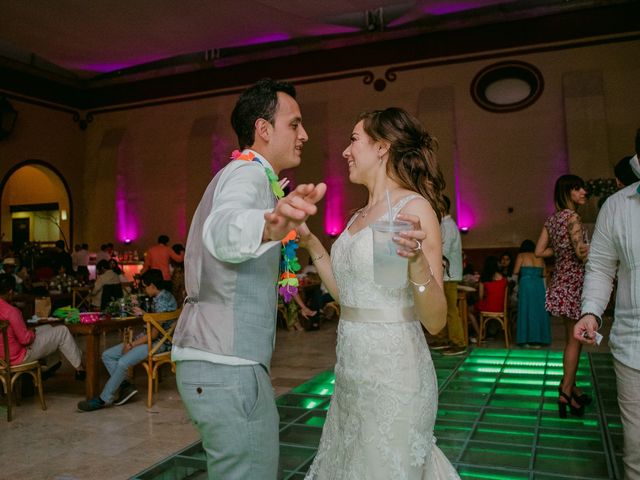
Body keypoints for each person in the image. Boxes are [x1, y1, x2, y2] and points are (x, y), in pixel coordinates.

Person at [171, 78, 326, 479]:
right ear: (263, 128)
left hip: (221, 359)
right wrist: (269, 227)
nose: (304, 134)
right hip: (226, 362)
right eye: (295, 124)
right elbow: (224, 229)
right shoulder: (248, 176)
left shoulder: (252, 177)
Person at [299, 107, 459, 479]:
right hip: (352, 374)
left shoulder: (410, 210)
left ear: (383, 147)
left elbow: (435, 321)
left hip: (395, 376)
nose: (345, 151)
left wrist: (416, 260)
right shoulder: (361, 216)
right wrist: (309, 242)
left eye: (354, 140)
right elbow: (352, 300)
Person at [574, 134, 640, 479]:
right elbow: (600, 266)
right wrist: (591, 311)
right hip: (634, 346)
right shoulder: (617, 206)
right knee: (637, 452)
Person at [77, 269, 177, 411]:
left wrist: (131, 344)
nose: (144, 289)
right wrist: (144, 314)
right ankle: (125, 386)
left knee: (123, 362)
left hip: (157, 344)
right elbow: (156, 321)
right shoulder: (167, 296)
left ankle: (103, 399)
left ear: (152, 285)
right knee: (107, 355)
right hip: (153, 340)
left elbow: (154, 335)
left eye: (145, 286)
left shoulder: (160, 302)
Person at [535, 174, 591, 418]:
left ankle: (571, 385)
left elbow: (539, 251)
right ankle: (566, 390)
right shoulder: (573, 217)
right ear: (568, 192)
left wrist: (559, 251)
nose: (584, 193)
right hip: (575, 282)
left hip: (560, 281)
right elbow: (581, 253)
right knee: (574, 340)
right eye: (579, 189)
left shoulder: (553, 219)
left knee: (571, 338)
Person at [0, 273, 86, 379]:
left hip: (2, 357)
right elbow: (25, 340)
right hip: (17, 356)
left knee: (48, 328)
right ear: (10, 292)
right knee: (62, 331)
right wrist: (31, 333)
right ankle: (80, 369)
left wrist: (30, 331)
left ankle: (50, 365)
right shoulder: (12, 311)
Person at [432, 195, 465, 355]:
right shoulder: (446, 225)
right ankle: (444, 338)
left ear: (442, 208)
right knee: (445, 308)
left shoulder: (447, 226)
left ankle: (458, 342)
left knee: (451, 309)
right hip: (448, 275)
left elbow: (442, 252)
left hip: (448, 275)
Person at [513, 239, 550, 346]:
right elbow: (544, 274)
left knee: (526, 310)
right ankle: (539, 339)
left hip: (526, 285)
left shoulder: (521, 256)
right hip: (538, 285)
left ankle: (525, 340)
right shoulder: (540, 257)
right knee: (538, 312)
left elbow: (515, 272)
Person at [467, 255, 507, 340]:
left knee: (468, 311)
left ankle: (480, 333)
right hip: (502, 307)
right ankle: (486, 331)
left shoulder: (484, 278)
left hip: (488, 307)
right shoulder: (503, 278)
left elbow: (480, 297)